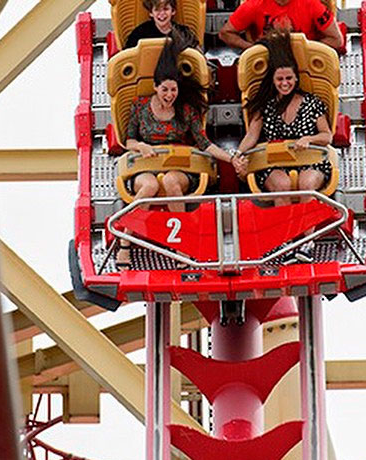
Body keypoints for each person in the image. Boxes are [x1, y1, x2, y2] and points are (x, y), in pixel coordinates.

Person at [116, 37, 246, 269]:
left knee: (170, 181)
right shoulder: (140, 106)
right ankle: (124, 242)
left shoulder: (185, 110)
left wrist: (232, 157)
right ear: (155, 87)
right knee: (150, 187)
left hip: (178, 167)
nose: (169, 95)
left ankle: (181, 244)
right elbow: (129, 140)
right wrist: (141, 146)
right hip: (148, 164)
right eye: (164, 89)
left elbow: (204, 143)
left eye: (173, 89)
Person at [235, 31, 333, 206]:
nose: (284, 83)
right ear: (273, 80)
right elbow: (252, 135)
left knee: (307, 184)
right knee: (282, 185)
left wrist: (309, 139)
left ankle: (307, 232)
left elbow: (327, 136)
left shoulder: (311, 102)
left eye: (289, 78)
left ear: (296, 78)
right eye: (280, 79)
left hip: (308, 160)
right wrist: (238, 154)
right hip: (275, 162)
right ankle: (288, 233)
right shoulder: (265, 105)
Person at [219, 0, 343, 51]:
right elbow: (225, 33)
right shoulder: (254, 5)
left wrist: (305, 49)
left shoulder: (312, 4)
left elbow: (337, 40)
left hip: (304, 59)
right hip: (267, 59)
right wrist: (251, 48)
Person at [125, 0, 199, 49]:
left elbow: (198, 56)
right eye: (157, 10)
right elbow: (126, 57)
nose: (162, 14)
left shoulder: (183, 33)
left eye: (166, 9)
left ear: (173, 11)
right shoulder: (139, 33)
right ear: (151, 13)